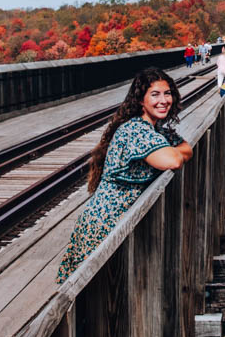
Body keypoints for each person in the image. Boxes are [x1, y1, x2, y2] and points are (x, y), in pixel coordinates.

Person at [56, 68, 192, 281]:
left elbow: (185, 149)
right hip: (105, 225)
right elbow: (173, 160)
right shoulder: (135, 130)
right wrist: (170, 152)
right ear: (141, 100)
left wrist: (170, 150)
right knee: (94, 299)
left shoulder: (156, 131)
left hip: (119, 224)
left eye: (167, 93)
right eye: (155, 94)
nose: (164, 100)